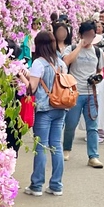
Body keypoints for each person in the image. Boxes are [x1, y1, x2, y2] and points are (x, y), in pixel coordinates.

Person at [23, 31, 67, 197]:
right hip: (60, 107)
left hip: (44, 109)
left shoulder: (38, 63)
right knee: (56, 145)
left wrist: (22, 76)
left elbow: (31, 88)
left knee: (40, 146)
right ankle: (56, 185)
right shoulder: (61, 63)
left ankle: (37, 185)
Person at [62, 21, 104, 168]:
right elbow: (66, 62)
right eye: (87, 35)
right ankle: (66, 149)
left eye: (92, 36)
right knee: (71, 124)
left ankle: (93, 156)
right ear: (80, 35)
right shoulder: (72, 48)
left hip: (91, 93)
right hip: (75, 92)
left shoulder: (98, 52)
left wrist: (97, 77)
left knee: (92, 126)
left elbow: (100, 70)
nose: (89, 39)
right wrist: (80, 45)